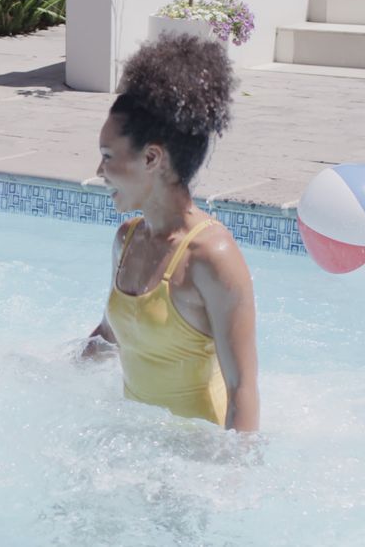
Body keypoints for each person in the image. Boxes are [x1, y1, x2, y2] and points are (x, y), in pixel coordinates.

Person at [82, 34, 259, 431]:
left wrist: (230, 485)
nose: (98, 171)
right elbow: (111, 333)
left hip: (194, 461)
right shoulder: (126, 241)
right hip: (139, 447)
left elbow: (242, 388)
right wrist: (46, 379)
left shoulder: (212, 257)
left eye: (108, 156)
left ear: (151, 158)